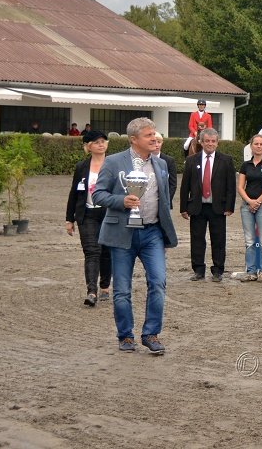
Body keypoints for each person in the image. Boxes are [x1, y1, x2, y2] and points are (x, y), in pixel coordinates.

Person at [92, 117, 178, 354]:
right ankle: (125, 336)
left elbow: (164, 201)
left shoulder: (160, 165)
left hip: (152, 233)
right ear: (134, 139)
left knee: (158, 282)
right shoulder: (113, 162)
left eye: (155, 134)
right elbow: (98, 195)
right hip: (122, 234)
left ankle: (151, 334)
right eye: (149, 135)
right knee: (121, 289)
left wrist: (166, 234)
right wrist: (121, 200)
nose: (154, 139)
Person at [180, 127, 236, 282]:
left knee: (218, 240)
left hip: (218, 207)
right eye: (207, 141)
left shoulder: (226, 160)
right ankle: (198, 269)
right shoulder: (192, 160)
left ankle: (218, 270)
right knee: (197, 239)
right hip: (197, 207)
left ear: (217, 143)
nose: (210, 144)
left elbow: (231, 186)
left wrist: (229, 207)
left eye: (213, 141)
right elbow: (185, 186)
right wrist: (184, 208)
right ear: (201, 142)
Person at [65, 129, 112, 306]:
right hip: (87, 214)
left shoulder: (113, 164)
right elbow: (73, 194)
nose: (101, 144)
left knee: (106, 251)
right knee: (92, 251)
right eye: (97, 142)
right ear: (88, 146)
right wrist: (69, 219)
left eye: (103, 141)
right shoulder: (81, 167)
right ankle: (91, 291)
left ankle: (105, 286)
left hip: (109, 213)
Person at [237, 134, 262, 282]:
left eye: (261, 144)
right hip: (246, 206)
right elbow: (240, 187)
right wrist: (249, 201)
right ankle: (251, 271)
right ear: (251, 146)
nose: (259, 146)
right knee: (249, 241)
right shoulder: (245, 165)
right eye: (256, 144)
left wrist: (258, 202)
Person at [152, 132, 178, 209]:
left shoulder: (169, 160)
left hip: (164, 201)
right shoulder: (143, 159)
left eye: (159, 142)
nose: (156, 145)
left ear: (162, 143)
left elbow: (173, 184)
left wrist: (166, 200)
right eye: (154, 142)